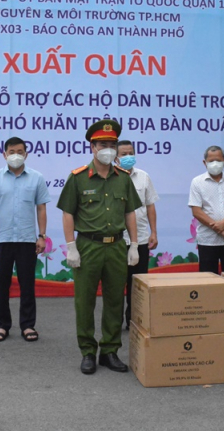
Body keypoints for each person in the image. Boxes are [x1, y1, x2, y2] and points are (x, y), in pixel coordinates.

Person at [56, 119, 141, 374]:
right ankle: (87, 352)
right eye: (103, 145)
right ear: (92, 147)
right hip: (88, 246)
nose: (108, 150)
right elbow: (68, 213)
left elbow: (130, 213)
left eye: (112, 145)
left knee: (115, 300)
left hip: (116, 246)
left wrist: (134, 245)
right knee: (85, 301)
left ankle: (110, 351)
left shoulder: (123, 178)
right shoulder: (78, 178)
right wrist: (71, 246)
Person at [0, 137, 50, 343]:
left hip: (27, 240)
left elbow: (41, 208)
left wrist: (42, 236)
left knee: (27, 285)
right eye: (11, 152)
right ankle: (2, 325)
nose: (16, 155)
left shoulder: (36, 178)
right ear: (4, 154)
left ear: (26, 154)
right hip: (2, 240)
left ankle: (28, 325)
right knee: (1, 285)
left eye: (20, 152)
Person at [115, 140, 159, 328]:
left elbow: (150, 205)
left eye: (130, 153)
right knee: (116, 284)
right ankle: (114, 323)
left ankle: (134, 320)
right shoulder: (110, 176)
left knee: (138, 283)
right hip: (116, 240)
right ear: (115, 157)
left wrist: (153, 232)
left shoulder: (143, 177)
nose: (128, 157)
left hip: (140, 238)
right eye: (123, 154)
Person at [188, 146, 224, 275]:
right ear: (204, 162)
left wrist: (223, 224)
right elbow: (196, 211)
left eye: (218, 160)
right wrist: (221, 229)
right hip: (207, 240)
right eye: (211, 161)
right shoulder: (197, 182)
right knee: (208, 279)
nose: (215, 164)